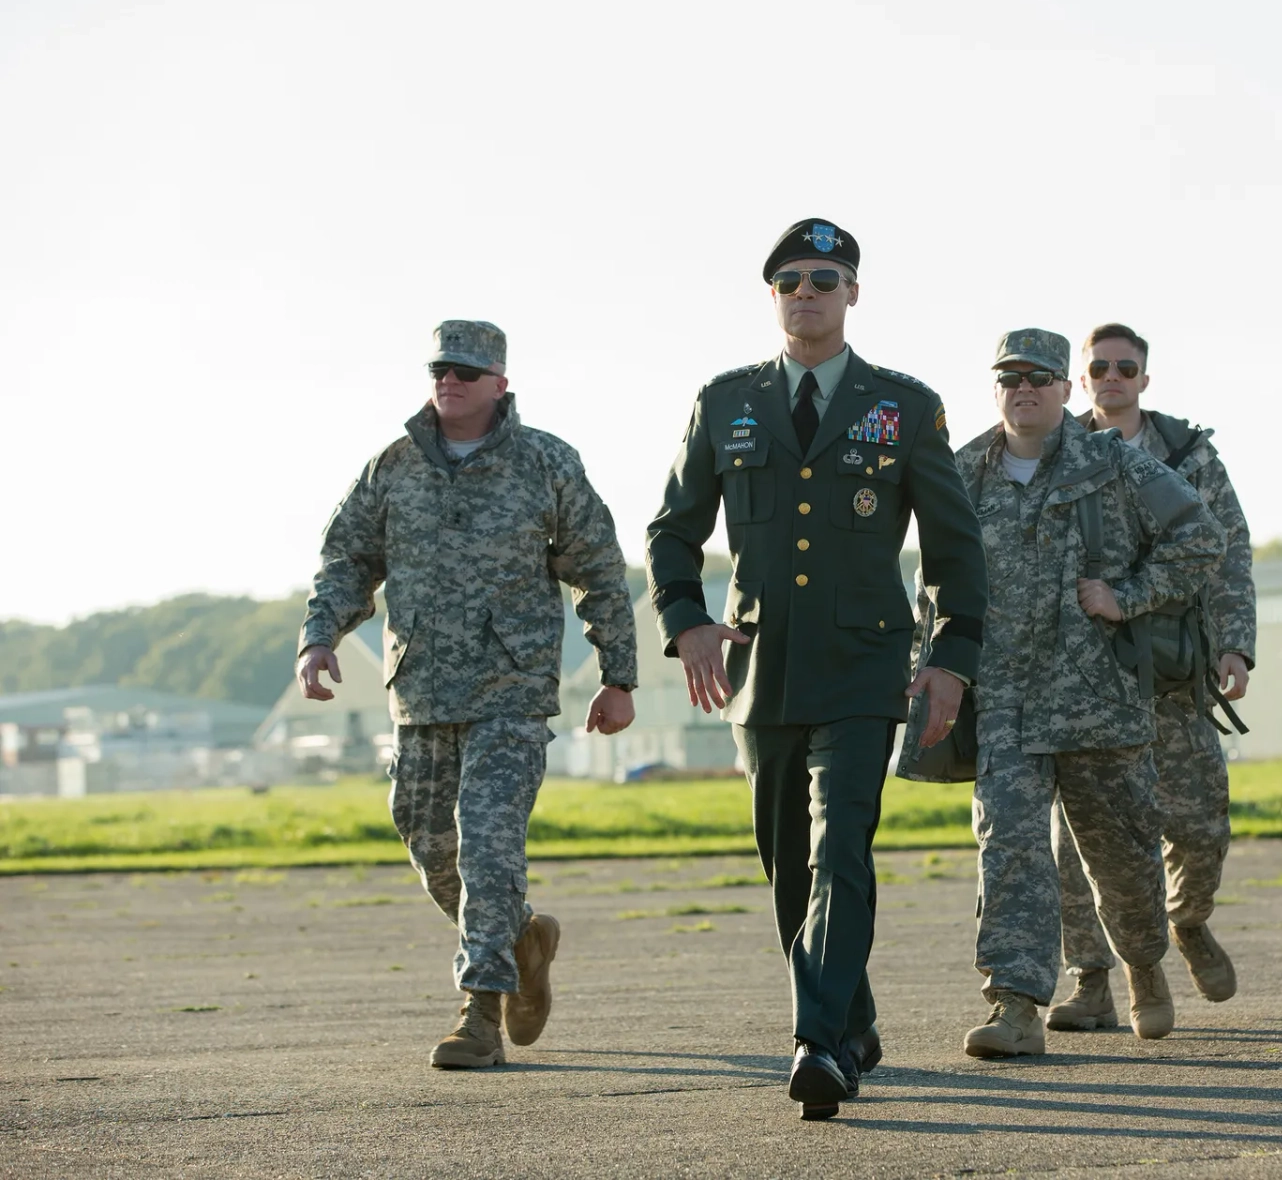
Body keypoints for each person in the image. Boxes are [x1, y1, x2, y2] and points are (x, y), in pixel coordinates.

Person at [646, 219, 989, 1120]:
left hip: (865, 664)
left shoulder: (905, 405)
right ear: (773, 297)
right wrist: (686, 623)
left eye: (825, 279)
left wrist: (950, 659)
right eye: (791, 279)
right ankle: (856, 1021)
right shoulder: (726, 400)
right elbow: (673, 531)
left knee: (842, 846)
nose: (808, 292)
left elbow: (955, 548)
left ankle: (819, 1046)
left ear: (852, 294)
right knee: (789, 867)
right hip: (761, 670)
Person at [296, 320, 638, 1069]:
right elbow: (347, 558)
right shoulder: (393, 465)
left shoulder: (545, 462)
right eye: (441, 368)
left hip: (510, 690)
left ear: (500, 384)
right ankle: (521, 940)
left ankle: (480, 1011)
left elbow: (600, 570)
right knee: (426, 837)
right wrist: (320, 636)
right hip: (418, 689)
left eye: (467, 371)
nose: (449, 380)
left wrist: (618, 675)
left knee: (487, 845)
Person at [912, 327, 1223, 1058]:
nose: (1025, 389)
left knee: (1122, 860)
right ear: (996, 389)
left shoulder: (1111, 461)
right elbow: (932, 582)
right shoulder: (961, 474)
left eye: (1040, 378)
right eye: (1010, 377)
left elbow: (1200, 537)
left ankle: (1144, 963)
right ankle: (1015, 1005)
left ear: (1065, 389)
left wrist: (1130, 594)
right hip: (1006, 703)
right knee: (1009, 851)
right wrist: (927, 666)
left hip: (1100, 700)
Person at [1048, 323, 1256, 1029]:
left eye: (1124, 368)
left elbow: (1229, 553)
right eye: (1099, 367)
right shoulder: (1055, 451)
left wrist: (1236, 647)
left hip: (1172, 672)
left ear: (1144, 378)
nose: (1111, 377)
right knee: (1079, 845)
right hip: (1081, 678)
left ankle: (1187, 920)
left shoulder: (1189, 456)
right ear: (1082, 380)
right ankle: (1093, 981)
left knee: (1199, 827)